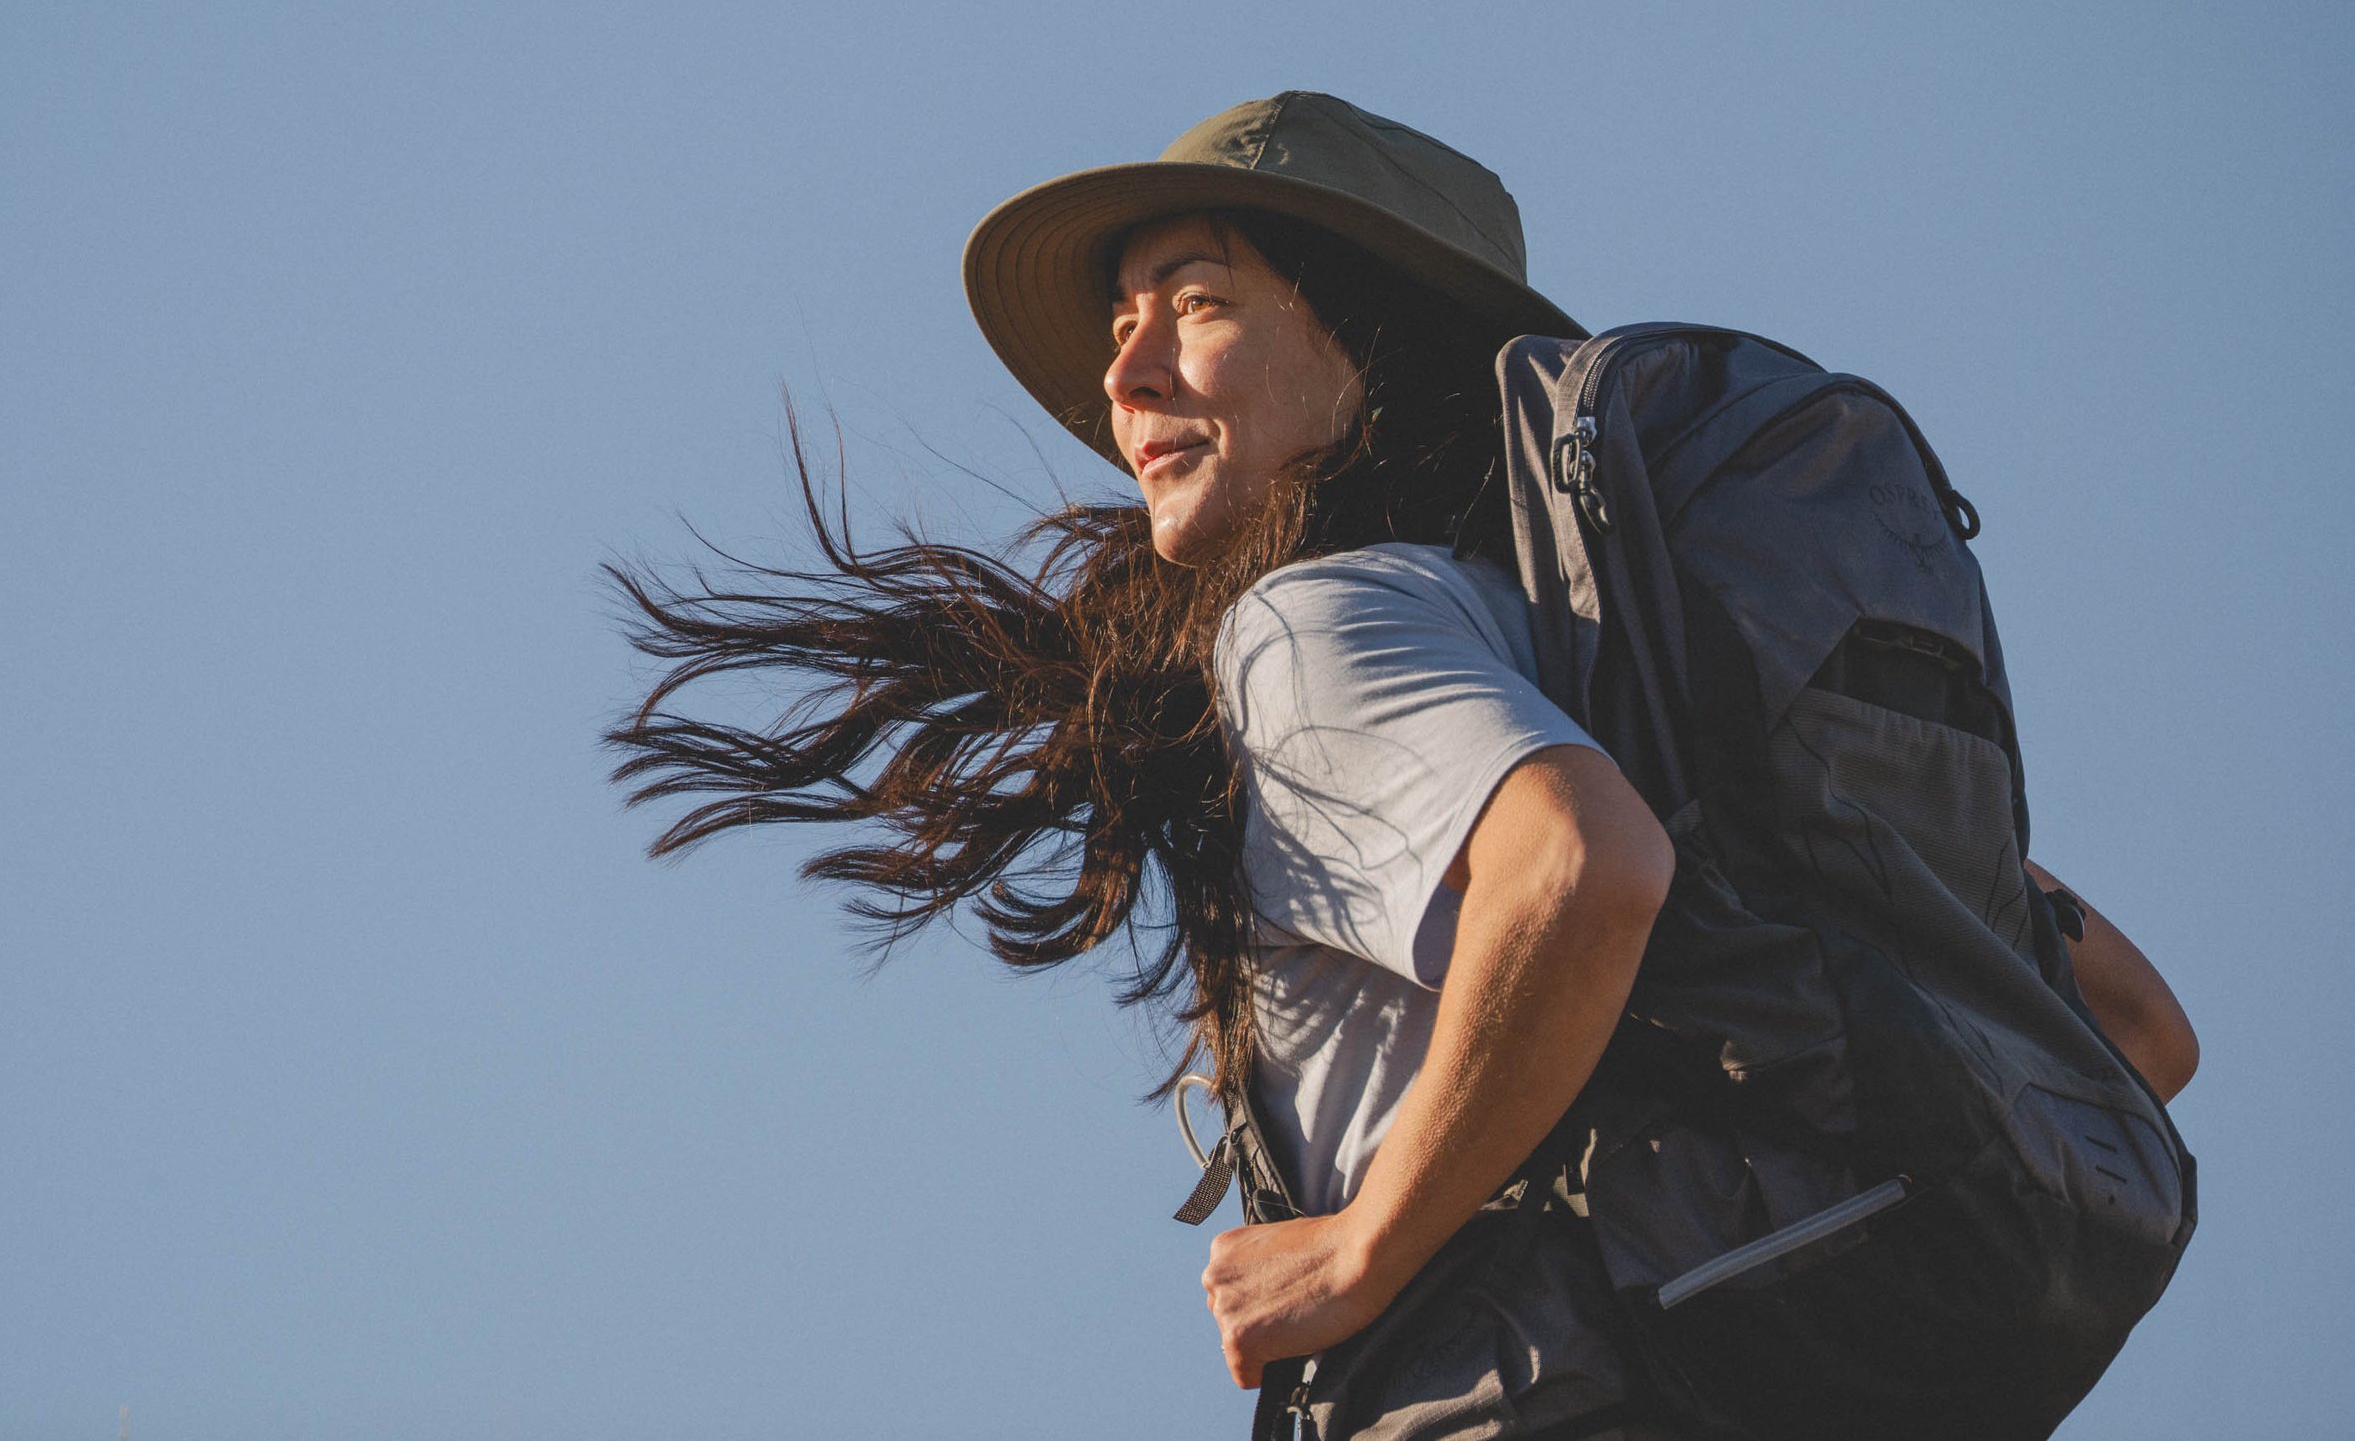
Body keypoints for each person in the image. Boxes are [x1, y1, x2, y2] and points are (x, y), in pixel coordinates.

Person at [609, 92, 2197, 1436]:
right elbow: (2134, 1031)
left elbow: (1579, 868)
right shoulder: (1616, 677)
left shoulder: (1312, 632)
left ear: (1365, 344)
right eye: (1122, 326)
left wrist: (1367, 1244)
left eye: (1199, 301)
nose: (1127, 375)